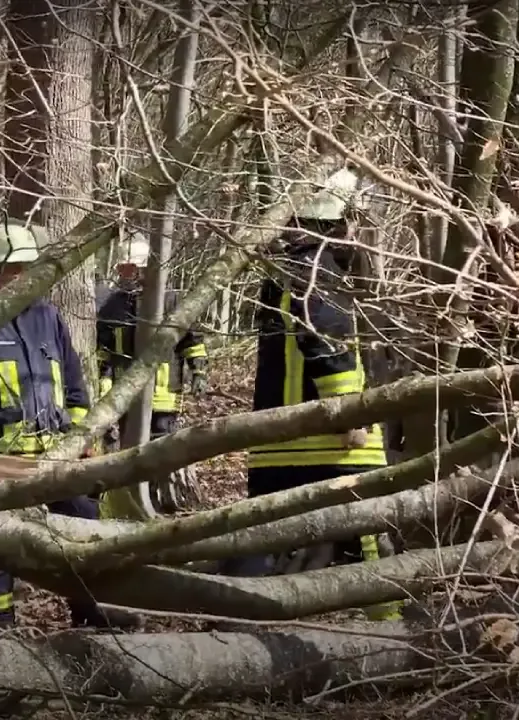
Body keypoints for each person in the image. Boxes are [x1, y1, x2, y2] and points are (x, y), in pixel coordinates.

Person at [225, 167, 401, 621]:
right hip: (330, 442)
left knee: (263, 536)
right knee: (369, 535)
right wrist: (350, 418)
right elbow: (328, 346)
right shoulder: (317, 273)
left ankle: (231, 618)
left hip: (281, 440)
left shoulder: (286, 272)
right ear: (337, 222)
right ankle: (394, 630)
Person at [0, 221, 142, 636]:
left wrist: (82, 440)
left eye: (28, 267)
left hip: (56, 454)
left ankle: (90, 607)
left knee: (84, 529)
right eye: (13, 268)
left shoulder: (48, 317)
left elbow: (75, 386)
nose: (22, 277)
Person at [96, 233, 209, 518]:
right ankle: (127, 504)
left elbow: (192, 341)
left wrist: (199, 371)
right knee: (126, 452)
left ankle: (164, 503)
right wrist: (105, 386)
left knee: (161, 451)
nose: (127, 274)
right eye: (124, 268)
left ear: (147, 267)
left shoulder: (171, 303)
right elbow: (105, 353)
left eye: (132, 268)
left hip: (163, 396)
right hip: (125, 398)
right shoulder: (112, 307)